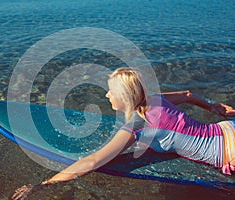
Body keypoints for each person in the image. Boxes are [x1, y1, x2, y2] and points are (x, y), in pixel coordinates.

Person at [12, 68, 235, 200]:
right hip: (227, 128)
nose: (107, 95)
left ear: (126, 97)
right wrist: (215, 107)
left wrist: (44, 184)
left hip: (229, 152)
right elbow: (187, 94)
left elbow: (92, 161)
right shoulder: (156, 98)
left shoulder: (138, 125)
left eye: (112, 91)